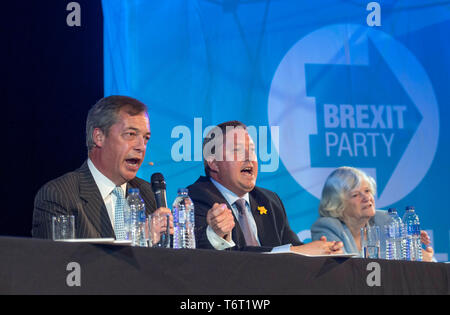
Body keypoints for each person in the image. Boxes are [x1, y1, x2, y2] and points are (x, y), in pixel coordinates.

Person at [187, 120, 343, 254]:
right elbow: (218, 257)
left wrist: (322, 251)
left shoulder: (269, 200)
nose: (249, 158)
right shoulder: (195, 199)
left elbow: (293, 247)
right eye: (238, 150)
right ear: (213, 163)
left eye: (252, 151)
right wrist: (298, 252)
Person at [32, 95, 173, 240]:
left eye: (146, 138)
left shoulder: (148, 195)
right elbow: (58, 262)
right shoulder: (59, 196)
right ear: (99, 137)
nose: (141, 147)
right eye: (131, 134)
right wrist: (140, 240)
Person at [310, 166, 434, 261]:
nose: (366, 198)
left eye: (367, 191)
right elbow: (343, 271)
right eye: (355, 194)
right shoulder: (327, 227)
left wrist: (417, 252)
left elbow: (411, 259)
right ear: (338, 204)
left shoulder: (386, 220)